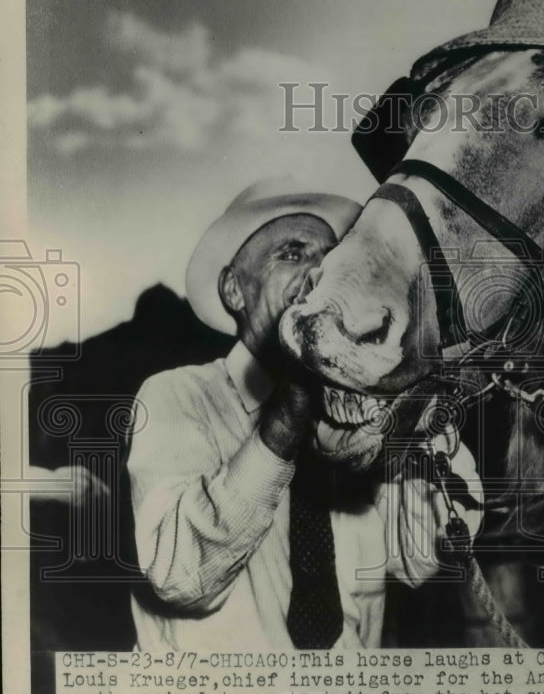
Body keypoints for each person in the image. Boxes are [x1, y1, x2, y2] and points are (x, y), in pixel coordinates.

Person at [127, 176, 480, 650]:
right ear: (235, 290)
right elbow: (181, 578)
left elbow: (424, 554)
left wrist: (423, 393)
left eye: (331, 259)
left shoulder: (359, 415)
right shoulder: (177, 397)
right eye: (291, 254)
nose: (320, 276)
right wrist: (287, 418)